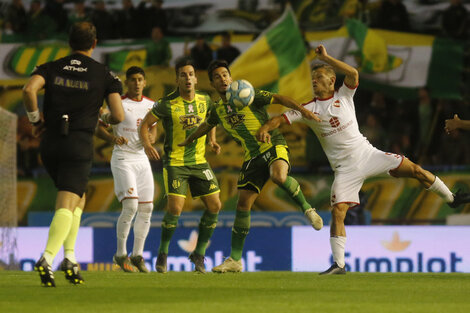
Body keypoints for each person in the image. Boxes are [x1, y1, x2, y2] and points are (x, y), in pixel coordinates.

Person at [257, 44, 470, 275]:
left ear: (331, 81)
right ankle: (339, 265)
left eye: (319, 77)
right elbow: (279, 119)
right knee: (338, 212)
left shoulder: (344, 95)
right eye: (313, 78)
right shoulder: (308, 109)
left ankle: (451, 198)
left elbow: (353, 74)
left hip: (368, 155)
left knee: (416, 170)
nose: (314, 81)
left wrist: (327, 57)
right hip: (345, 169)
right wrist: (267, 128)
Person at [179, 59, 324, 273]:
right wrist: (190, 140)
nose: (223, 79)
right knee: (243, 205)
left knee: (278, 176)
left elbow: (279, 98)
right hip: (252, 157)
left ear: (231, 77)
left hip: (273, 144)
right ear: (212, 83)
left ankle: (307, 209)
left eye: (225, 75)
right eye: (218, 77)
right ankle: (235, 260)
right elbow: (206, 126)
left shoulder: (248, 92)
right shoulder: (218, 109)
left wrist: (304, 111)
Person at [22, 21, 124, 287]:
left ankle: (69, 258)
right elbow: (118, 115)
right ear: (95, 43)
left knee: (79, 199)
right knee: (67, 202)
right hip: (77, 144)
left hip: (50, 144)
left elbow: (28, 90)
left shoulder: (52, 67)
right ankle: (47, 257)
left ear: (69, 43)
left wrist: (35, 121)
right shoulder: (104, 74)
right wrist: (100, 114)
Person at [139, 57, 222, 274]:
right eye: (183, 75)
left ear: (196, 79)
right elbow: (146, 124)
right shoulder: (166, 103)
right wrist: (148, 144)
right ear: (177, 79)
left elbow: (211, 120)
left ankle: (199, 254)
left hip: (199, 161)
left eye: (191, 74)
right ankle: (163, 253)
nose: (187, 78)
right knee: (175, 209)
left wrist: (212, 140)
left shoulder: (205, 100)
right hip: (175, 162)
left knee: (215, 205)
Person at [95, 66, 156, 273]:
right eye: (132, 80)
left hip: (141, 159)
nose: (137, 83)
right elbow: (98, 128)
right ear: (126, 83)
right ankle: (120, 254)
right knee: (131, 206)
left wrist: (150, 140)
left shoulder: (151, 105)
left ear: (144, 82)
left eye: (140, 79)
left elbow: (152, 127)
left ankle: (138, 255)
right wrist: (113, 138)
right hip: (122, 158)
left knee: (147, 208)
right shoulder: (117, 104)